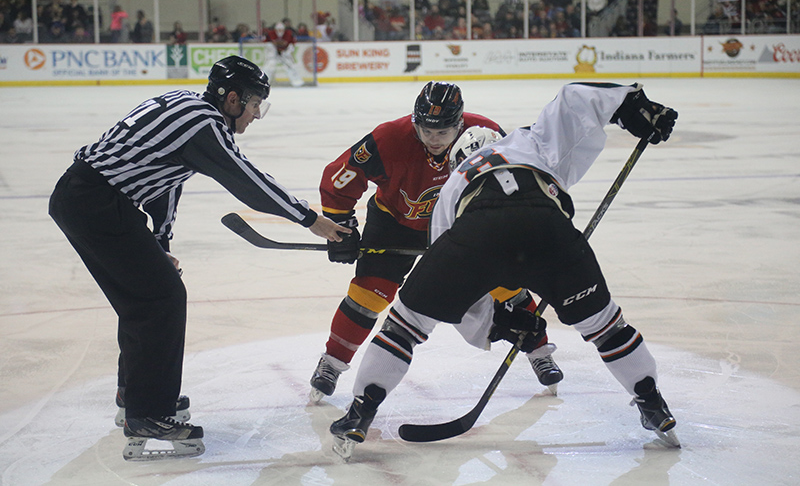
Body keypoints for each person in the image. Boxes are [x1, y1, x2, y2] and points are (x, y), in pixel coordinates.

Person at [329, 82, 680, 460]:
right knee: (607, 326)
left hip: (478, 232)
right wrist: (630, 104)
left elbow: (460, 276)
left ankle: (360, 412)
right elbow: (574, 101)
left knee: (406, 325)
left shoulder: (453, 185)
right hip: (550, 229)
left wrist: (494, 323)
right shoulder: (526, 142)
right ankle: (652, 403)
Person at [48, 56, 349, 461]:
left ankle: (135, 396)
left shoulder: (189, 108)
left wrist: (160, 243)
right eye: (254, 103)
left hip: (88, 198)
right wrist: (310, 219)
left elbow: (165, 180)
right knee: (161, 300)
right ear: (231, 98)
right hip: (98, 204)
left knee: (144, 300)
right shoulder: (202, 123)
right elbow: (246, 180)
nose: (256, 114)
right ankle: (148, 412)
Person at [309, 81, 564, 403]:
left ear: (459, 125)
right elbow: (339, 178)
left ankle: (540, 352)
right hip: (394, 223)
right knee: (368, 294)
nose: (433, 139)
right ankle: (331, 362)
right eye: (425, 131)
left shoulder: (485, 134)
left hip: (460, 223)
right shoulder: (388, 139)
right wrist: (342, 227)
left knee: (506, 284)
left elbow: (516, 179)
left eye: (442, 133)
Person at [264, 21, 304, 87]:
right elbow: (269, 43)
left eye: (281, 30)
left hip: (285, 52)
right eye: (278, 30)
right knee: (270, 65)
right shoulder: (271, 33)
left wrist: (287, 52)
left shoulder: (288, 34)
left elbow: (289, 44)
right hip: (274, 53)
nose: (280, 31)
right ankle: (265, 81)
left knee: (290, 65)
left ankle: (296, 81)